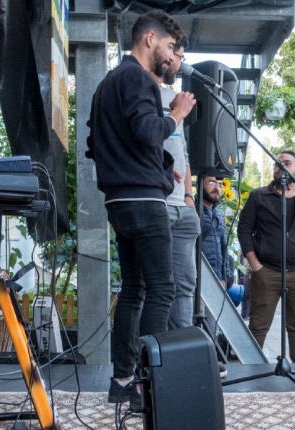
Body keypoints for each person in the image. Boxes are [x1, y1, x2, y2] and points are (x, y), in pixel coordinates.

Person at [86, 10, 195, 410]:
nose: (171, 57)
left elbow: (98, 144)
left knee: (133, 291)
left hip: (119, 200)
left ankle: (123, 381)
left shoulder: (106, 85)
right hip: (145, 202)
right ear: (150, 38)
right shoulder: (136, 78)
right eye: (169, 47)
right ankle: (147, 387)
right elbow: (149, 132)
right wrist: (176, 114)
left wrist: (162, 171)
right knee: (161, 290)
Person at [237, 150, 295, 363]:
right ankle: (250, 371)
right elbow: (244, 230)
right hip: (266, 271)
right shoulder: (259, 196)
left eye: (287, 163)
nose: (281, 167)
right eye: (277, 164)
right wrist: (255, 265)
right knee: (258, 325)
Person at [152, 36, 201, 330]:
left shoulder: (174, 97)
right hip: (155, 203)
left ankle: (182, 354)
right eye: (179, 55)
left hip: (181, 208)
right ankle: (148, 361)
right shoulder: (143, 93)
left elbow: (181, 153)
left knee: (185, 286)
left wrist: (189, 197)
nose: (182, 63)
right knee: (150, 286)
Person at [198, 176, 229, 286]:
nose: (217, 187)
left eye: (220, 185)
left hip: (216, 279)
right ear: (200, 184)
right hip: (196, 276)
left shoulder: (219, 214)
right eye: (212, 182)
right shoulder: (192, 210)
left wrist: (224, 277)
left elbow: (224, 247)